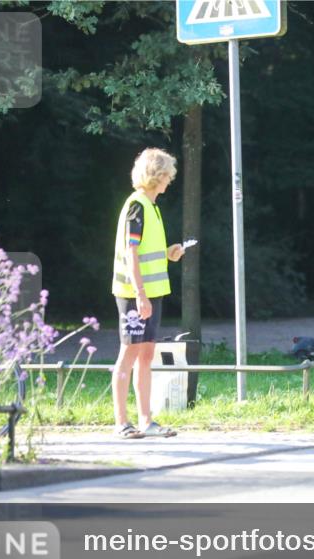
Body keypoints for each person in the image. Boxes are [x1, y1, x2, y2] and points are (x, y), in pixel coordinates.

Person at [110, 148, 187, 439]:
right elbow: (130, 253)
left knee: (146, 355)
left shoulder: (152, 207)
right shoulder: (137, 206)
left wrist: (169, 253)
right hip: (134, 294)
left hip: (151, 293)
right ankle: (121, 422)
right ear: (157, 175)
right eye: (168, 174)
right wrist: (140, 295)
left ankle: (146, 421)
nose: (170, 180)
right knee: (128, 354)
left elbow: (144, 251)